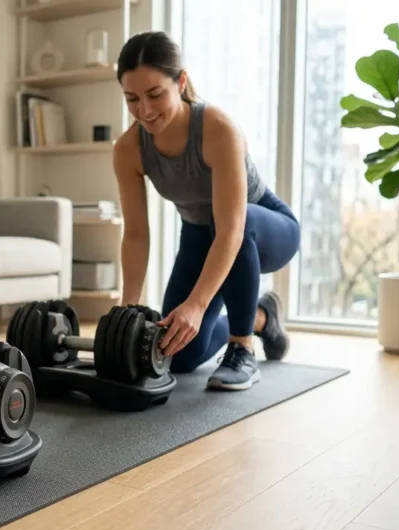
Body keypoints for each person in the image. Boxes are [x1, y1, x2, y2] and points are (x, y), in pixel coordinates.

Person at [113, 31, 301, 391]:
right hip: (200, 235)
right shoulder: (128, 149)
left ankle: (242, 346)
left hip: (264, 228)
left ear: (180, 82)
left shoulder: (217, 129)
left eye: (155, 94)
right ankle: (262, 317)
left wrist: (197, 305)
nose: (145, 111)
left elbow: (231, 228)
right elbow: (136, 233)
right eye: (132, 99)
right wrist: (127, 310)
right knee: (176, 353)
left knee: (228, 226)